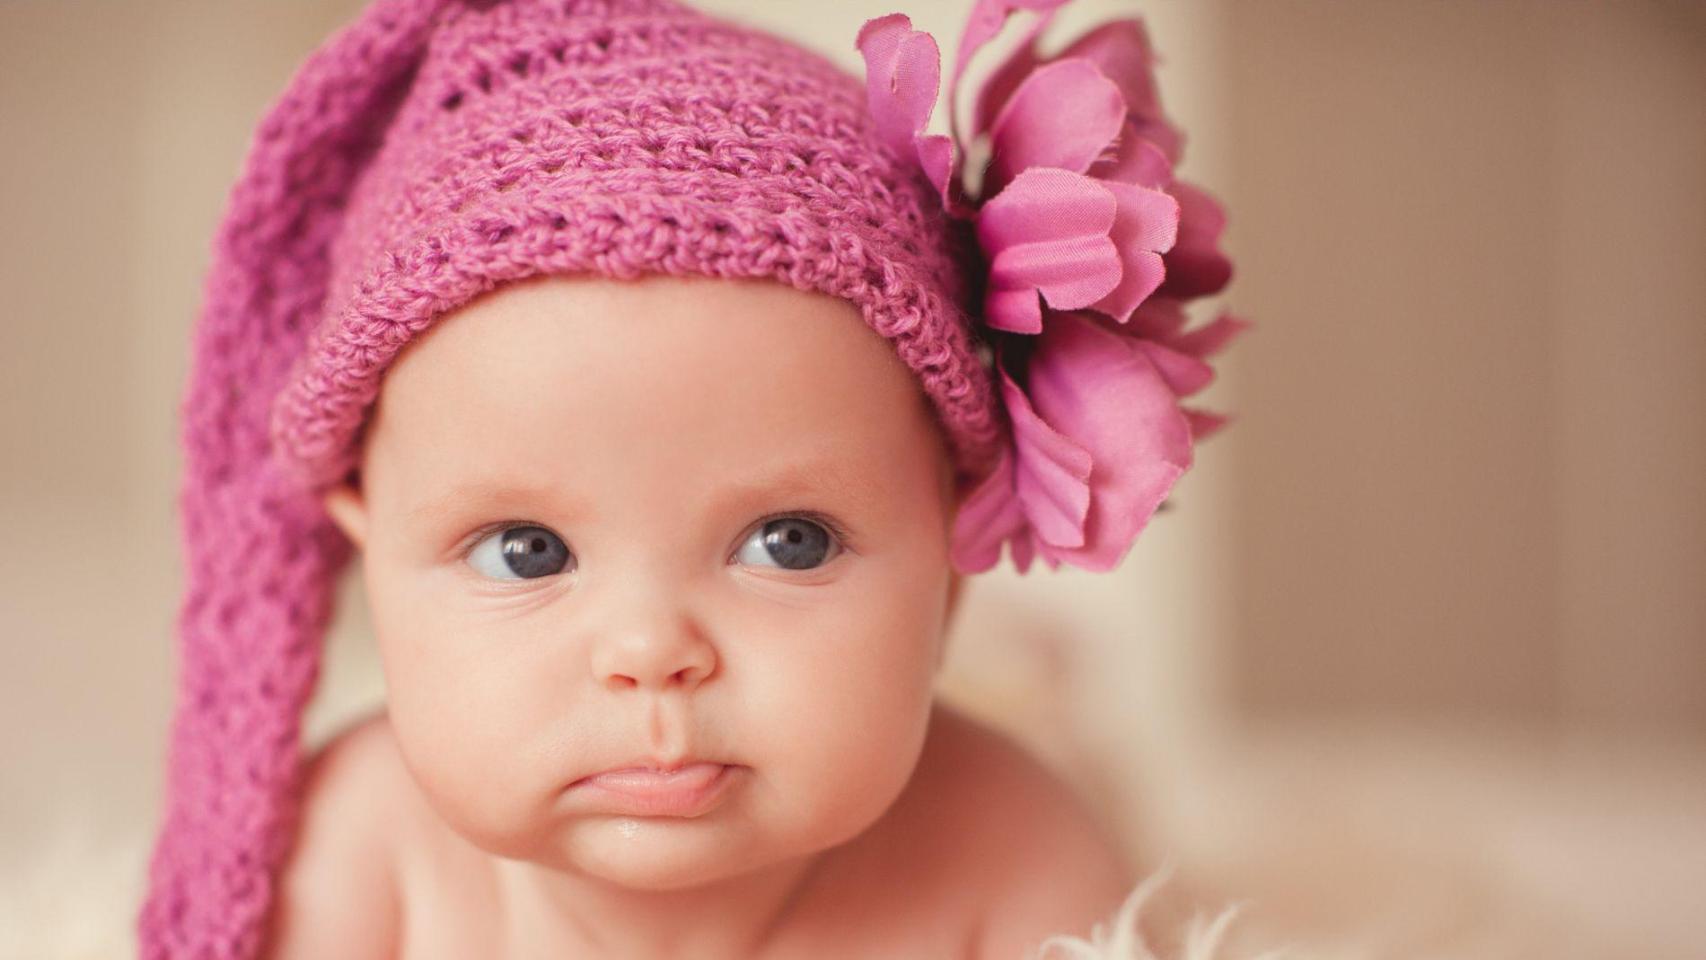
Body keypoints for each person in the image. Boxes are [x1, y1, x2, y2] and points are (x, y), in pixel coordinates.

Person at [137, 0, 1245, 956]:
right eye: (526, 549)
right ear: (368, 553)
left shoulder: (1013, 856)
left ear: (949, 550)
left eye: (788, 541)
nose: (650, 652)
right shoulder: (350, 852)